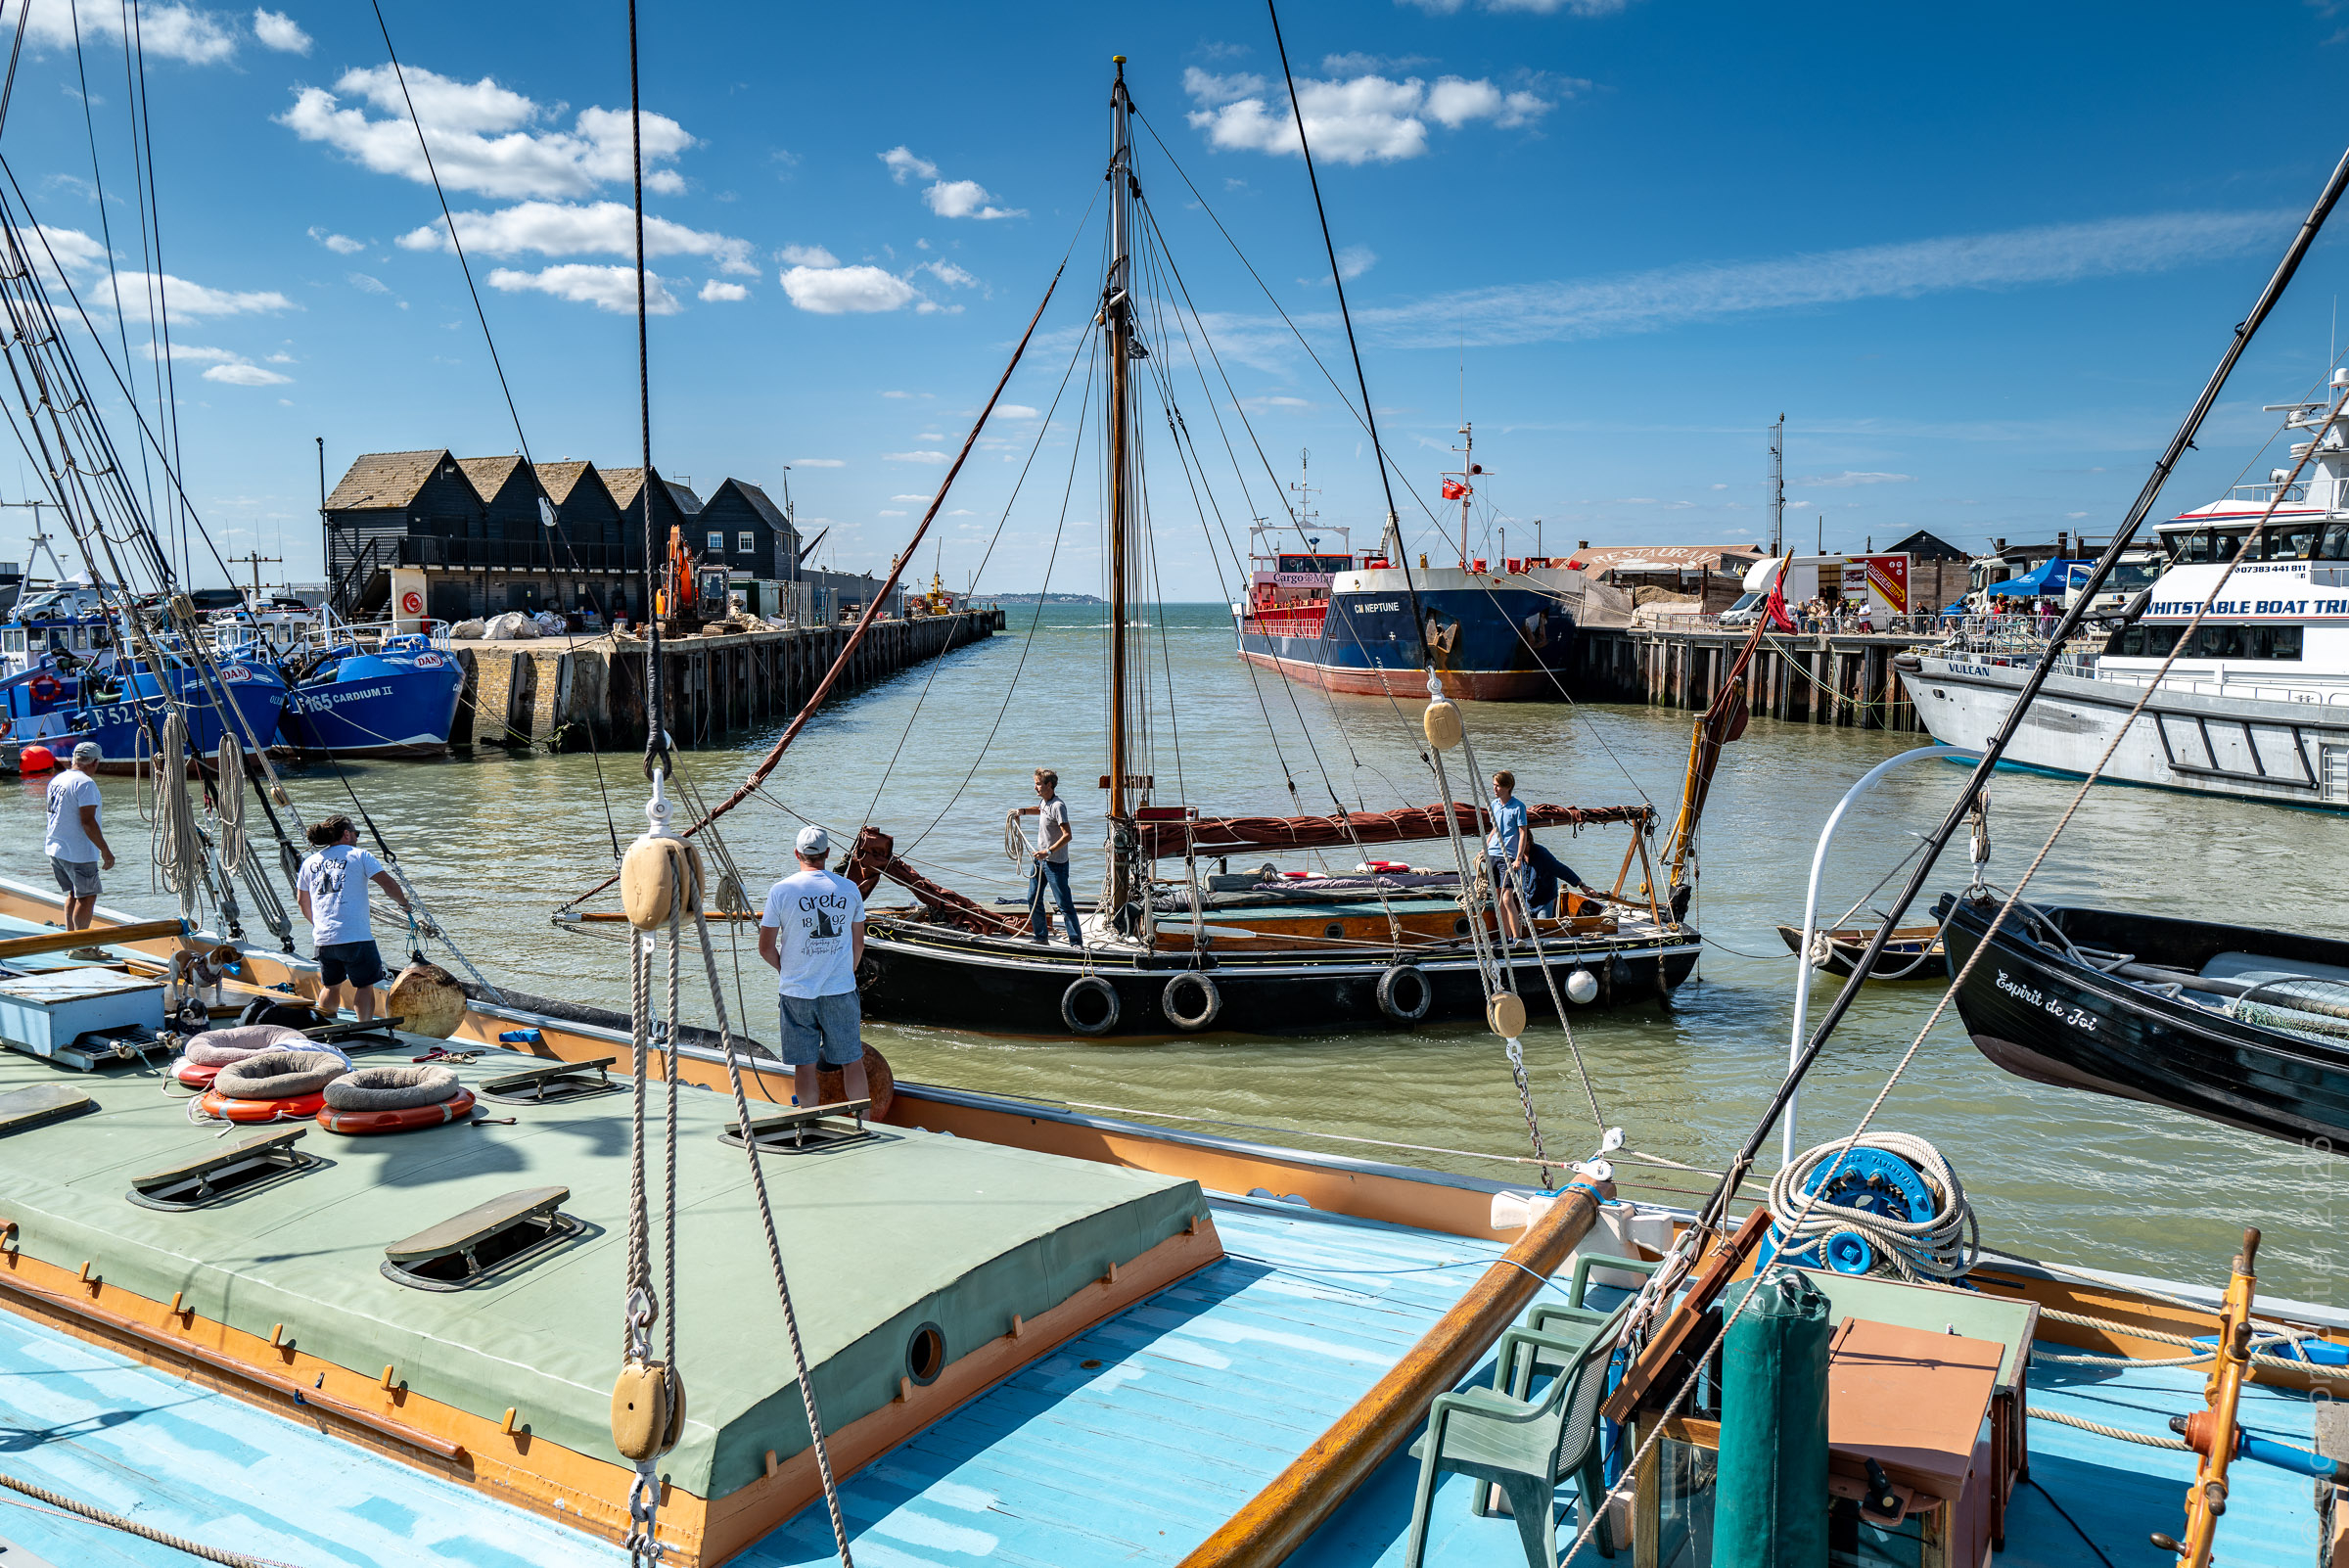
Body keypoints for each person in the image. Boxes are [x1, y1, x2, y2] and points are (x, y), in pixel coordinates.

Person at [758, 824, 871, 1109]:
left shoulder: (781, 891)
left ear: (796, 853)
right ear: (828, 853)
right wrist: (847, 972)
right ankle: (864, 1124)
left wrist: (787, 971)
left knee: (804, 1066)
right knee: (851, 1061)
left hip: (797, 992)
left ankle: (810, 1121)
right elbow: (859, 944)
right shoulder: (849, 889)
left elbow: (765, 947)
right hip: (840, 989)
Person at [296, 814, 411, 1022]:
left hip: (324, 938)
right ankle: (364, 1027)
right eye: (356, 833)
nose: (357, 837)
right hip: (356, 937)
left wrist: (319, 925)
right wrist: (404, 904)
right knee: (364, 986)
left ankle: (325, 1027)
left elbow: (302, 902)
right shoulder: (359, 855)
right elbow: (389, 885)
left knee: (330, 986)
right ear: (346, 834)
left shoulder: (309, 862)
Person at [1488, 771, 1590, 935]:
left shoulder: (1540, 855)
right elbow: (1495, 829)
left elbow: (1561, 869)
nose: (1494, 788)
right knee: (1502, 901)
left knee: (1542, 931)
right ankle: (1508, 935)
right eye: (1493, 785)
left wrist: (1581, 885)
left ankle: (1516, 937)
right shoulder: (1494, 805)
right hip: (1527, 902)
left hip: (1543, 901)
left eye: (1498, 785)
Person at [44, 740, 113, 960]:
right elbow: (88, 822)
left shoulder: (58, 779)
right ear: (94, 762)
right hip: (78, 851)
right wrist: (105, 850)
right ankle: (81, 948)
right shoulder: (85, 784)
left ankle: (71, 940)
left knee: (74, 893)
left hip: (57, 848)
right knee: (87, 896)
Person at [1027, 768, 1082, 946]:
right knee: (1033, 898)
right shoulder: (1045, 803)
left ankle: (1076, 942)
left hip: (1055, 863)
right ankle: (1041, 937)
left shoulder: (1058, 806)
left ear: (1049, 785)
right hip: (1039, 861)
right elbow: (1041, 811)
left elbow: (1067, 835)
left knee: (1064, 904)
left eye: (1038, 784)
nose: (1035, 787)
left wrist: (1048, 851)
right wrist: (1022, 812)